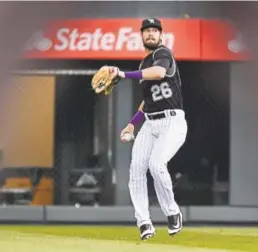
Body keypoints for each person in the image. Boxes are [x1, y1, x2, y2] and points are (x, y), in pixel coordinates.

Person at [110, 18, 187, 240]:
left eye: (155, 30)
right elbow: (148, 102)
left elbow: (159, 73)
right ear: (141, 35)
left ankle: (172, 212)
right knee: (136, 169)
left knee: (156, 164)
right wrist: (132, 124)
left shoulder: (163, 54)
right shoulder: (143, 65)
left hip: (173, 122)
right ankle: (144, 222)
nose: (151, 34)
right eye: (147, 31)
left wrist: (124, 74)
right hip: (150, 123)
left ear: (161, 35)